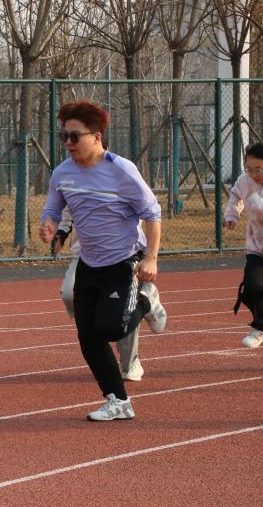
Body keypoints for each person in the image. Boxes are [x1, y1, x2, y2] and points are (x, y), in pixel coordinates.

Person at [39, 100, 168, 421]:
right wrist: (50, 225)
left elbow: (152, 213)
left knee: (112, 328)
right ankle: (118, 401)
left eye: (75, 136)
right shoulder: (62, 173)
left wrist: (151, 258)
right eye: (64, 137)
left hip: (123, 261)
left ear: (96, 137)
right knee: (88, 337)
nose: (68, 143)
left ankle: (147, 301)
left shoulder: (121, 170)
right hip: (89, 263)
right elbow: (53, 208)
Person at [53, 207, 144, 382]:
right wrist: (62, 231)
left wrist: (149, 256)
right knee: (69, 294)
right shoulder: (74, 188)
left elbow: (148, 211)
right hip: (86, 255)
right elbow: (68, 207)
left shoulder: (127, 188)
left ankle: (130, 363)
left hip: (121, 255)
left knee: (123, 310)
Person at [225, 142, 263, 348]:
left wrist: (258, 204)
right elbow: (235, 195)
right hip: (259, 248)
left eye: (259, 170)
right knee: (253, 286)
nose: (254, 175)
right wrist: (232, 215)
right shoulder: (245, 181)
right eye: (249, 170)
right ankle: (262, 328)